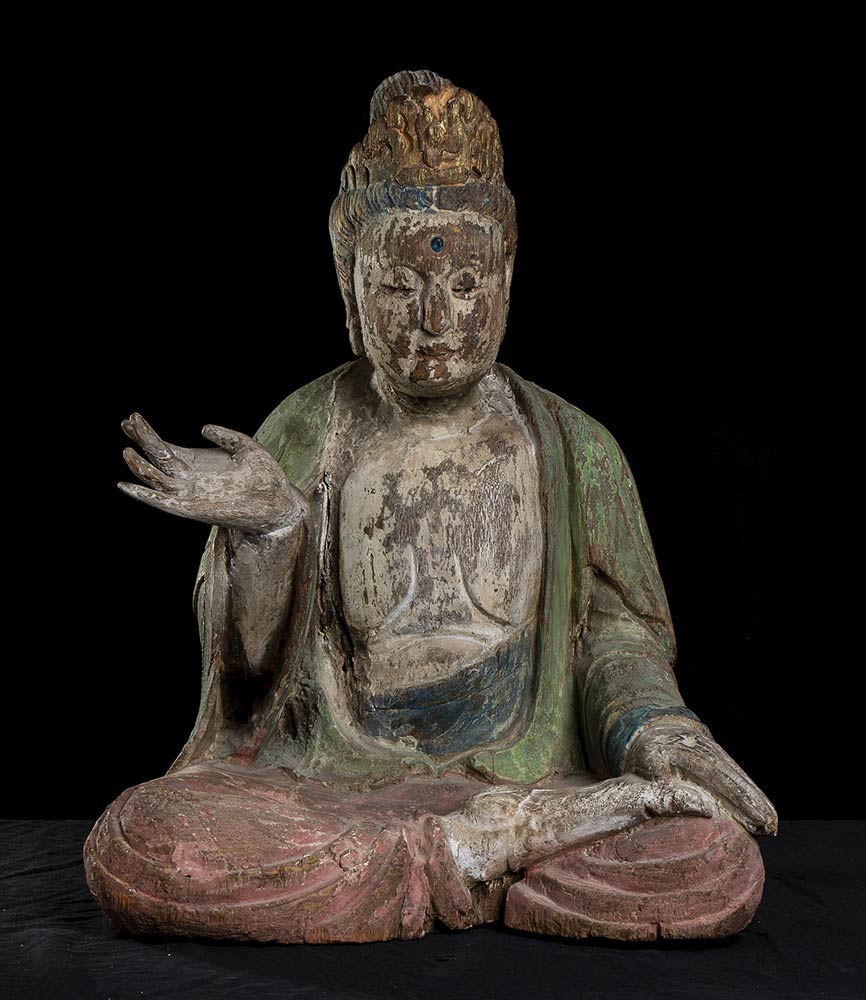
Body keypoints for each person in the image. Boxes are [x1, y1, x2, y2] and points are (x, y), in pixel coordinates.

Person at [84, 70, 777, 944]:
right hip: (332, 787)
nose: (438, 320)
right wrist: (268, 534)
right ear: (350, 283)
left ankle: (469, 848)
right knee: (144, 839)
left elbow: (614, 638)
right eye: (400, 287)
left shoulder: (576, 448)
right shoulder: (306, 429)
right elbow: (248, 698)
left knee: (707, 857)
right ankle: (471, 852)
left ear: (508, 275)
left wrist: (659, 733)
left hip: (533, 779)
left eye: (465, 284)